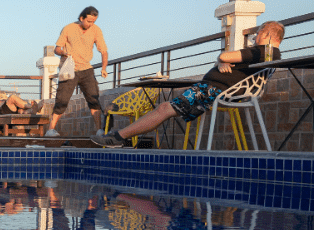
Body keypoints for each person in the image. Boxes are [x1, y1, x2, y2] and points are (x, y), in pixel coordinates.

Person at [90, 20, 285, 148]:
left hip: (215, 90)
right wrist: (222, 62)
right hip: (214, 90)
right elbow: (230, 60)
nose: (255, 36)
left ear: (267, 34)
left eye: (259, 32)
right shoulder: (267, 53)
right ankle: (119, 137)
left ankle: (118, 137)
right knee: (164, 107)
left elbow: (226, 54)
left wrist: (221, 58)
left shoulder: (263, 51)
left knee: (164, 108)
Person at [47, 6, 109, 137]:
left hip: (87, 70)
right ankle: (50, 130)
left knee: (94, 99)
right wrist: (64, 52)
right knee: (62, 100)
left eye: (94, 22)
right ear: (82, 18)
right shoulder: (69, 28)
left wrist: (104, 68)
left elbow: (103, 50)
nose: (91, 24)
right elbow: (57, 49)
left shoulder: (96, 30)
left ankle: (99, 131)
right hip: (70, 69)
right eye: (89, 21)